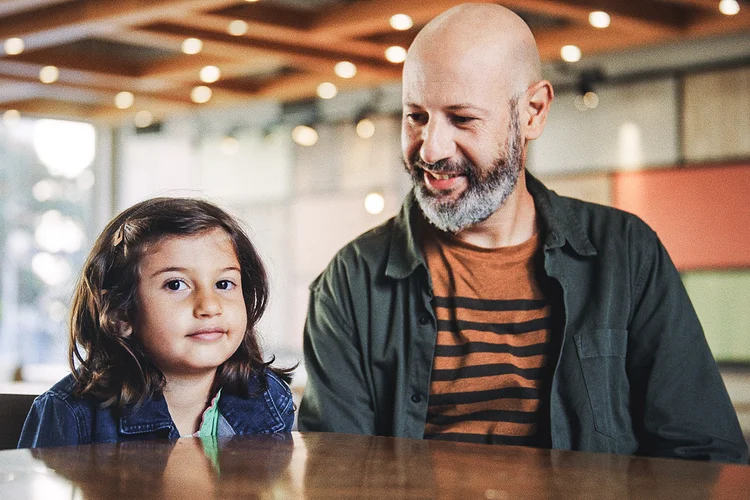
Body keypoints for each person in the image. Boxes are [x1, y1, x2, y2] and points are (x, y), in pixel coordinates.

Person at [298, 3, 748, 463]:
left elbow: (705, 453)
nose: (430, 148)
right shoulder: (350, 283)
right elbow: (337, 472)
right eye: (416, 116)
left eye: (462, 118)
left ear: (533, 111)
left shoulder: (627, 253)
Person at [18, 197, 294, 448]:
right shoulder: (70, 412)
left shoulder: (268, 396)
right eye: (176, 284)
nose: (210, 306)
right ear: (119, 314)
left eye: (224, 283)